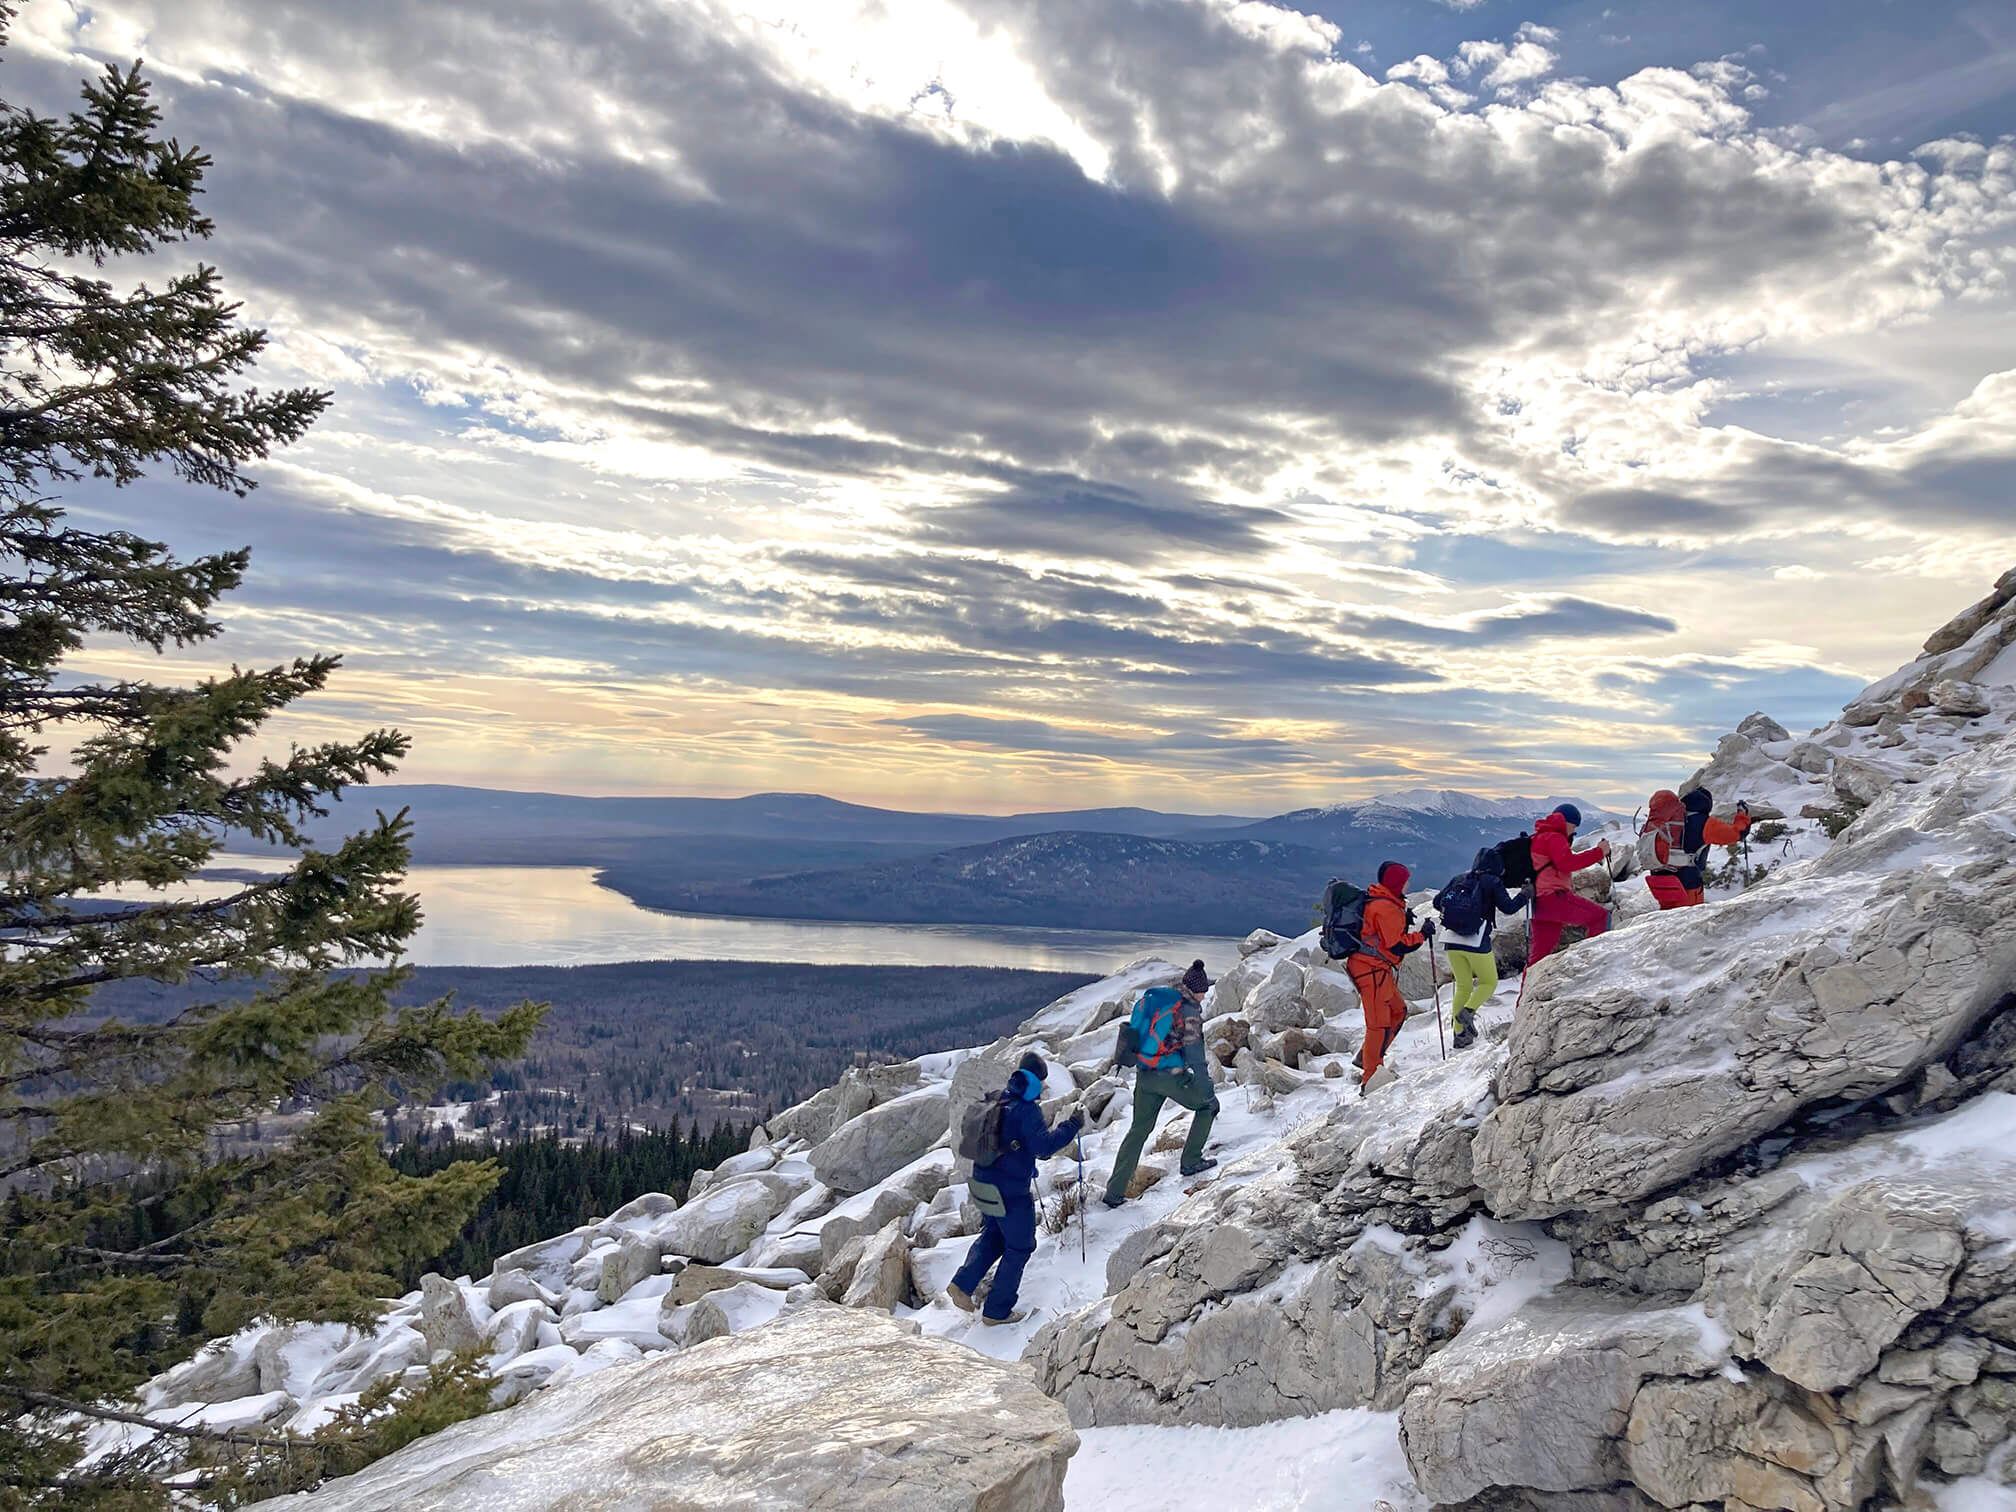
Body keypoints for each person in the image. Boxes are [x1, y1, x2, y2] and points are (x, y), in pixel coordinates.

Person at [946, 1052, 1082, 1325]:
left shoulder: (998, 1097)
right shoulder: (1027, 1110)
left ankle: (962, 1284)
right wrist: (1071, 1126)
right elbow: (1043, 1148)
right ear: (1036, 1081)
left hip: (982, 1183)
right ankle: (997, 1311)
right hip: (1010, 1192)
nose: (1043, 1088)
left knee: (994, 1235)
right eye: (1042, 1082)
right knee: (1020, 1246)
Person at [1102, 960, 1219, 1208]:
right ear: (1197, 990)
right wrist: (1207, 1089)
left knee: (1138, 1130)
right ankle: (1191, 1162)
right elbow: (1196, 1056)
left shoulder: (1164, 999)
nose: (1204, 995)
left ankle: (1114, 1193)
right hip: (1170, 1075)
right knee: (1208, 1107)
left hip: (1145, 1074)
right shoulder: (1189, 1012)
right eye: (1203, 991)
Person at [1346, 861, 1431, 1094]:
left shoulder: (1382, 899)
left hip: (1375, 969)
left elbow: (1383, 932)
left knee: (1398, 1011)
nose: (1408, 884)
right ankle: (1370, 1078)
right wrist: (1421, 936)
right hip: (1370, 970)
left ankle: (1367, 1056)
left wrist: (1404, 919)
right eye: (1405, 881)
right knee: (1378, 1025)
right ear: (1396, 883)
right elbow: (1396, 946)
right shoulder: (1385, 907)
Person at [1434, 847, 1528, 1050]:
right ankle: (1468, 1012)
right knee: (1488, 982)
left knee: (1463, 985)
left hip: (1451, 941)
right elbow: (1509, 908)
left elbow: (1436, 902)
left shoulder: (1458, 878)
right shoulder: (1492, 882)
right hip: (1476, 942)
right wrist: (1525, 895)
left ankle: (1460, 1035)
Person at [1643, 786, 1753, 909]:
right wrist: (1742, 815)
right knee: (1686, 921)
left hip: (1659, 883)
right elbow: (1736, 834)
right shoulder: (1702, 822)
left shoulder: (1668, 821)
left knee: (1667, 919)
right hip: (1687, 885)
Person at [1528, 803, 1610, 965]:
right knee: (1600, 917)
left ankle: (1527, 990)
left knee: (1539, 956)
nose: (1573, 831)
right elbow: (1567, 863)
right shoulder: (1555, 837)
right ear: (1567, 822)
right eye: (1573, 826)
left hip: (1539, 902)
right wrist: (1599, 852)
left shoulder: (1538, 836)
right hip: (1555, 897)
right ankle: (1593, 964)